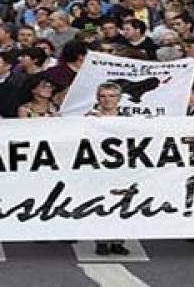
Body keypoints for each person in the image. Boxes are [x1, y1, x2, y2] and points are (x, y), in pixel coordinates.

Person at [84, 82, 131, 256]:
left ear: (119, 99)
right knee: (101, 203)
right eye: (103, 96)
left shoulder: (129, 120)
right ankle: (101, 241)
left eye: (112, 96)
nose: (107, 100)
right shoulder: (89, 119)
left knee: (122, 205)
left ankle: (118, 241)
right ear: (98, 99)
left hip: (122, 169)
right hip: (98, 168)